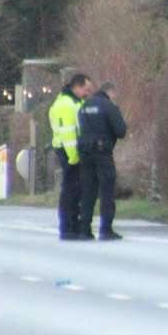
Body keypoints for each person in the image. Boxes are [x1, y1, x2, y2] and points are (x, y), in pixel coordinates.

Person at [76, 81, 128, 241]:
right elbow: (121, 131)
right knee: (106, 191)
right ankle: (106, 230)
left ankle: (84, 230)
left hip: (85, 152)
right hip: (102, 152)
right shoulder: (108, 106)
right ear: (111, 93)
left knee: (88, 191)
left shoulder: (84, 107)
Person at [48, 74, 93, 239]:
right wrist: (74, 157)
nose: (87, 93)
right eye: (86, 89)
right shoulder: (66, 105)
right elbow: (68, 134)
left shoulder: (74, 102)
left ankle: (73, 226)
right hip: (68, 152)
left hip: (71, 151)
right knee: (70, 191)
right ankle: (67, 228)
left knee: (75, 191)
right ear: (77, 87)